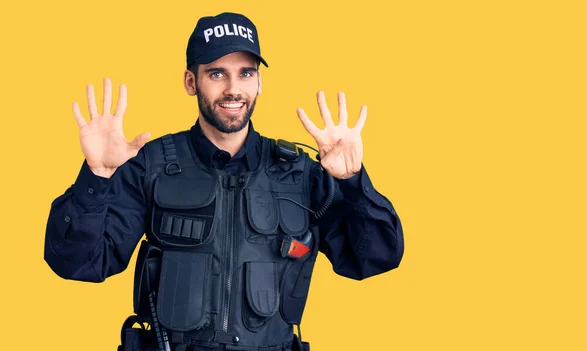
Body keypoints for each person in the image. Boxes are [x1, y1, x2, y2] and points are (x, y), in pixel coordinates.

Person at [44, 12, 404, 351]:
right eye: (217, 74)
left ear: (260, 82)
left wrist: (353, 182)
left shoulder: (300, 172)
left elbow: (374, 258)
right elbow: (80, 263)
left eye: (246, 74)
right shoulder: (150, 164)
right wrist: (98, 176)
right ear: (191, 81)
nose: (234, 89)